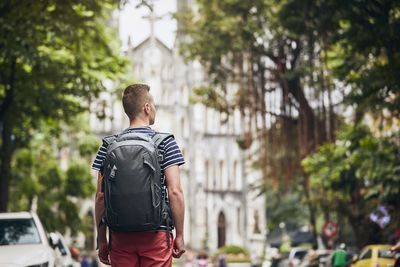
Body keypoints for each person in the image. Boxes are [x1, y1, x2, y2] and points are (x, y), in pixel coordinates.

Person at [92, 84, 186, 266]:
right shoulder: (166, 143)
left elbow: (100, 197)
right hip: (156, 235)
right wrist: (180, 235)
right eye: (154, 104)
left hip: (120, 236)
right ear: (147, 108)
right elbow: (175, 192)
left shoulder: (108, 145)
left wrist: (102, 239)